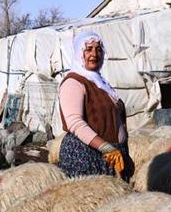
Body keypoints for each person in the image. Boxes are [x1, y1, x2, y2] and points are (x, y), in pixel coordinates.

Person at [57, 31, 134, 181]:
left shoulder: (100, 82)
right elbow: (75, 123)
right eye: (88, 49)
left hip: (110, 154)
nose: (95, 54)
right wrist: (106, 147)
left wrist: (123, 152)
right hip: (86, 156)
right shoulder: (73, 83)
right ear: (79, 53)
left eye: (98, 49)